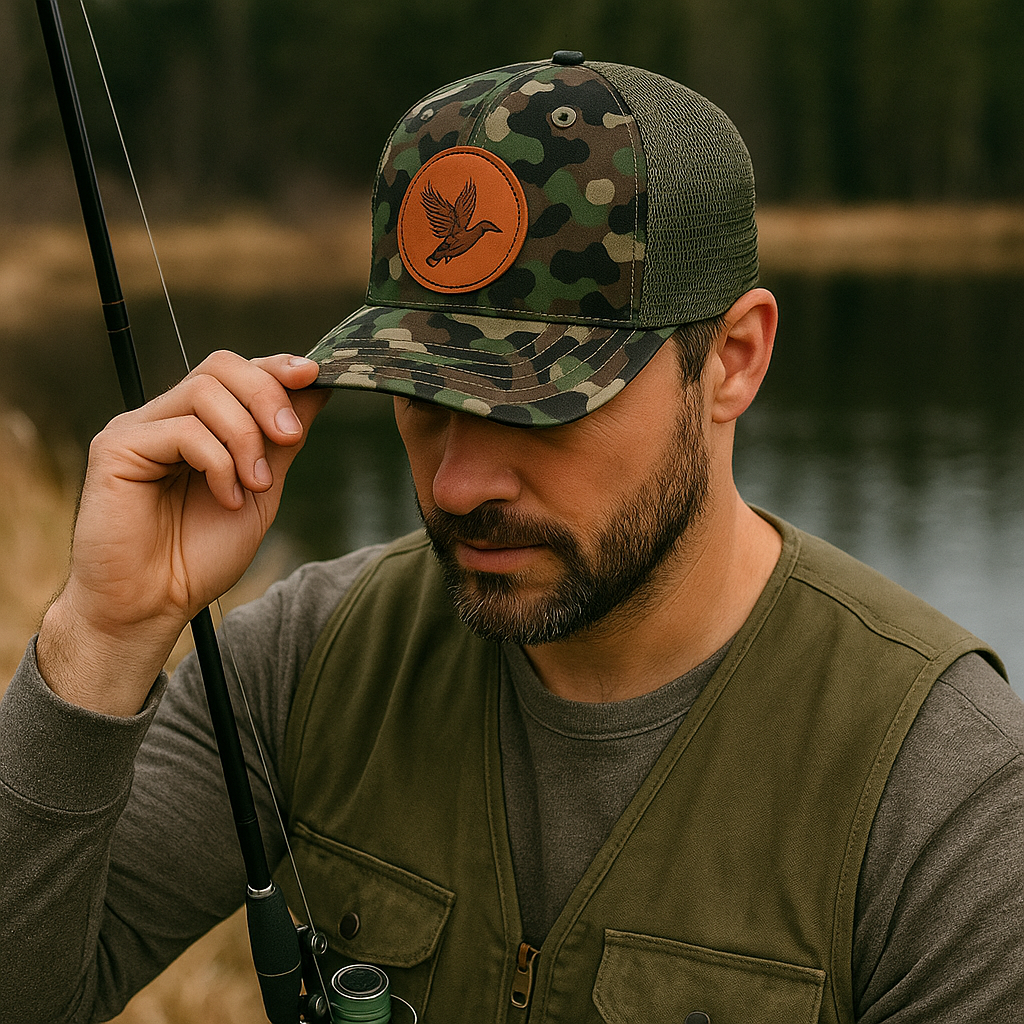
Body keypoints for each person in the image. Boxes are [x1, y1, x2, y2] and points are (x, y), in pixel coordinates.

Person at [2, 52, 1022, 1024]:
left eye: (542, 405)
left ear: (734, 359)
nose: (457, 484)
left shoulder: (945, 790)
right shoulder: (313, 660)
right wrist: (106, 630)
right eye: (421, 395)